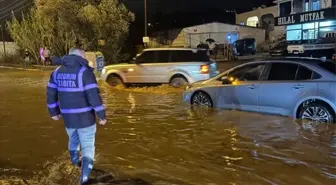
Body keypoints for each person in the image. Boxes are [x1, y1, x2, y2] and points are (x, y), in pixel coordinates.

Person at [46, 47, 107, 185]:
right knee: (88, 148)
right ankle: (84, 180)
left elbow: (50, 95)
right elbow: (94, 97)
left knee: (73, 140)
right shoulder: (85, 72)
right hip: (85, 119)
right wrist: (102, 116)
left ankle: (75, 164)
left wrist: (54, 113)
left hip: (68, 119)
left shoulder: (56, 72)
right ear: (80, 56)